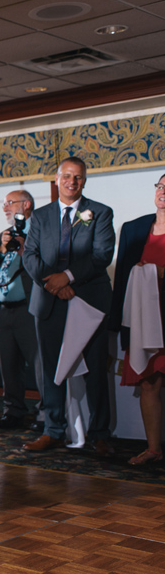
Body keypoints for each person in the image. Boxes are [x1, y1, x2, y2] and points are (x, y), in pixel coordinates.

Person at [22, 157, 116, 456]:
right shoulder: (40, 216)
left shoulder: (100, 212)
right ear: (57, 179)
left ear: (84, 181)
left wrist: (68, 277)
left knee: (96, 370)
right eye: (66, 176)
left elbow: (101, 254)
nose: (71, 182)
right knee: (51, 370)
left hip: (89, 300)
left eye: (78, 177)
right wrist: (53, 283)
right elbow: (30, 255)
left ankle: (100, 434)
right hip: (50, 300)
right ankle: (53, 430)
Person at [110, 175, 165, 465]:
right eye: (160, 186)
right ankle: (153, 449)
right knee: (149, 383)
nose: (163, 192)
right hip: (144, 319)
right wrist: (118, 323)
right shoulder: (133, 228)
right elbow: (121, 278)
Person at [0, 190, 43, 430]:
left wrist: (22, 248)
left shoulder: (39, 233)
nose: (5, 208)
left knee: (39, 365)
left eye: (10, 203)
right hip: (2, 311)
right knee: (8, 365)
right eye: (4, 203)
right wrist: (1, 247)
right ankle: (13, 411)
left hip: (28, 309)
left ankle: (46, 414)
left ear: (26, 204)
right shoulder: (4, 235)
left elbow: (44, 265)